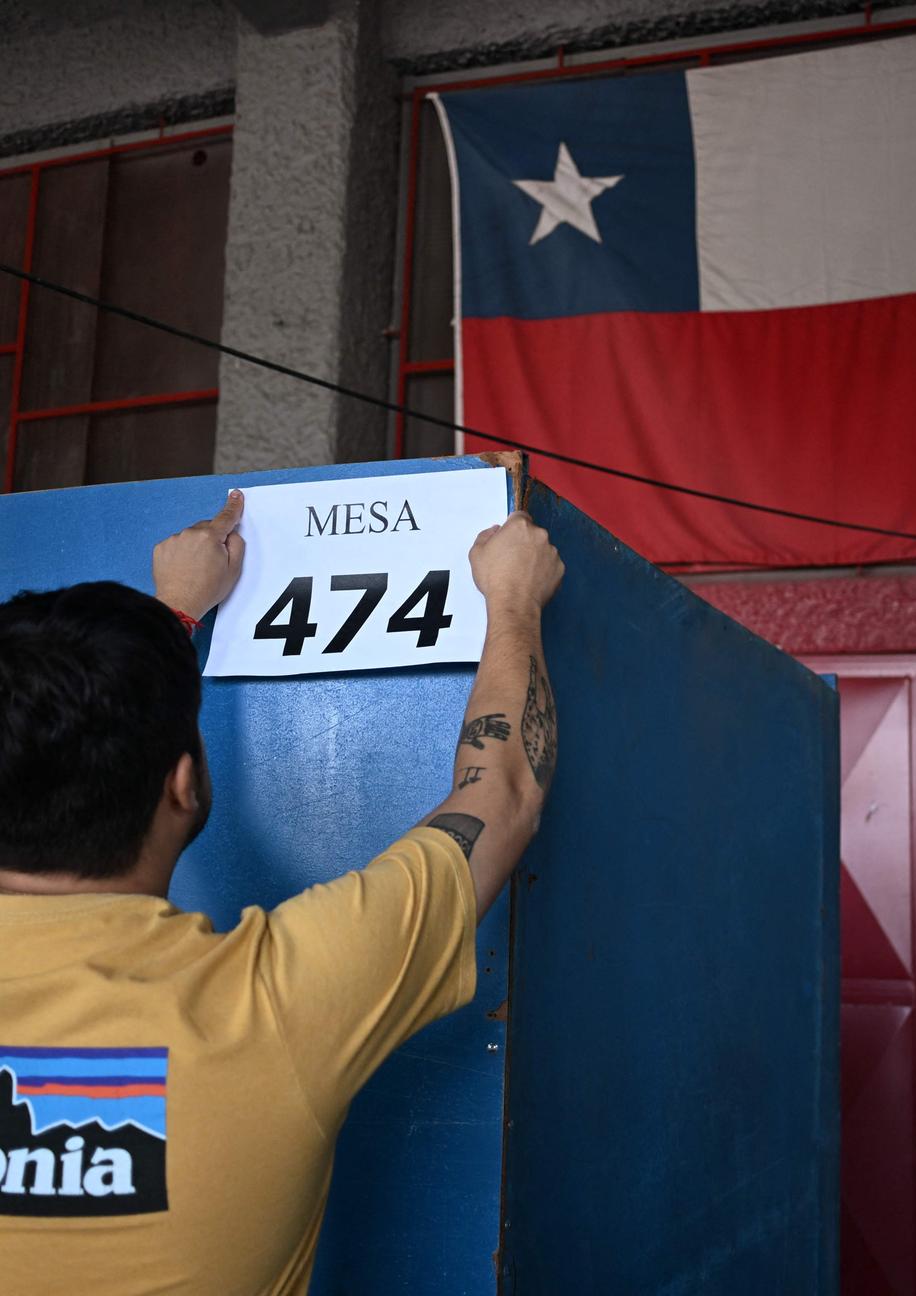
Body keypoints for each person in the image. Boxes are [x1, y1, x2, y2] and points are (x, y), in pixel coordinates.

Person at [0, 490, 563, 1294]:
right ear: (183, 785)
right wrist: (512, 599)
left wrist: (171, 621)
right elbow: (500, 798)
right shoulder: (274, 1002)